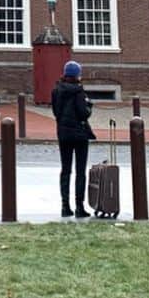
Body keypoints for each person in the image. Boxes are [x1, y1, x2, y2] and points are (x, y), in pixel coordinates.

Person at [50, 59, 94, 218]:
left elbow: (56, 112)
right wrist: (89, 106)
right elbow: (83, 113)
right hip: (80, 134)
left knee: (65, 170)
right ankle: (79, 206)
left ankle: (65, 206)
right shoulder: (79, 91)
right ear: (77, 75)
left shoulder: (56, 90)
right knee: (80, 171)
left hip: (63, 133)